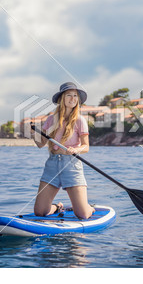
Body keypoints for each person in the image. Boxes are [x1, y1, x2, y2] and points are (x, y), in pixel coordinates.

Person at [31, 82, 95, 219]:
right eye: (69, 95)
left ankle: (89, 208)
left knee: (83, 215)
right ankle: (57, 207)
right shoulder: (50, 120)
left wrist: (76, 149)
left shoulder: (80, 120)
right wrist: (33, 134)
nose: (73, 99)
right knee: (39, 212)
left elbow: (86, 146)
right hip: (52, 165)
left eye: (75, 96)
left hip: (71, 166)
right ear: (62, 98)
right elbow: (41, 144)